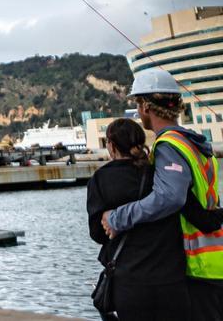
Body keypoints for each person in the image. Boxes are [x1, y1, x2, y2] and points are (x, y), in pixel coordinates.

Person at [102, 69, 223, 320]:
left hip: (197, 264)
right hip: (214, 256)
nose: (137, 111)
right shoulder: (195, 143)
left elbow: (170, 198)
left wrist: (117, 217)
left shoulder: (169, 145)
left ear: (146, 106)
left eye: (137, 104)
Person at [87, 118, 190, 319]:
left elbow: (98, 234)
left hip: (129, 280)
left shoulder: (100, 179)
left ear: (112, 145)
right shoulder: (159, 174)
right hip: (171, 276)